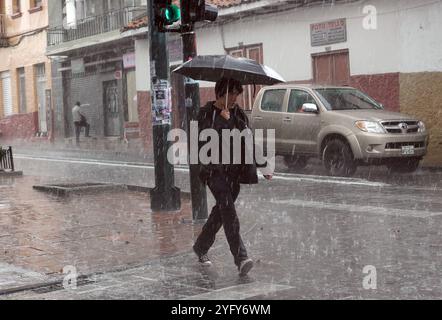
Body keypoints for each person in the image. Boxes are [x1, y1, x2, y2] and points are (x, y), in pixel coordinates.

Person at [192, 78, 273, 277]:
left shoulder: (238, 114)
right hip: (213, 171)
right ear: (220, 93)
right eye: (232, 94)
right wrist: (222, 120)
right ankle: (241, 258)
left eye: (237, 94)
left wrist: (263, 164)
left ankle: (201, 247)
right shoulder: (205, 114)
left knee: (221, 212)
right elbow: (202, 140)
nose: (235, 98)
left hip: (234, 172)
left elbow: (248, 139)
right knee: (228, 211)